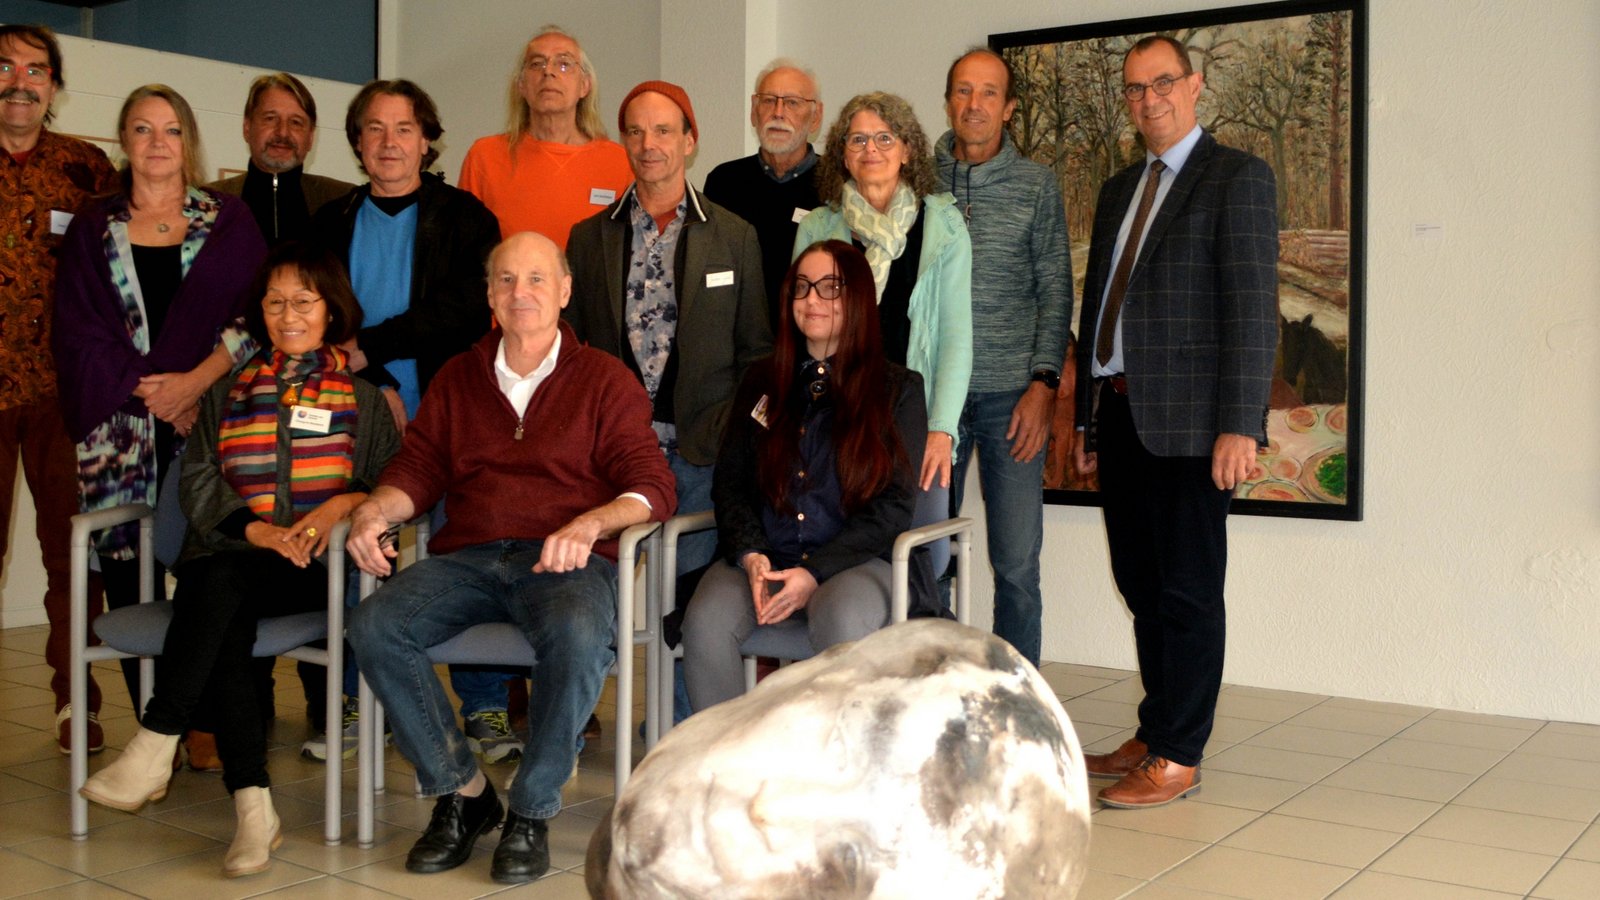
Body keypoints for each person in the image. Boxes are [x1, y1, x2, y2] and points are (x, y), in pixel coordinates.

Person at [346, 231, 675, 884]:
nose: (520, 293)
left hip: (567, 563)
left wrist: (593, 522)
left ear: (565, 291)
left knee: (580, 636)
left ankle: (530, 809)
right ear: (489, 295)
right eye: (505, 280)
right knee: (376, 625)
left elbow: (652, 485)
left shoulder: (604, 380)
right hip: (471, 556)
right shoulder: (459, 376)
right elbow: (418, 468)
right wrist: (375, 509)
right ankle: (463, 796)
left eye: (535, 279)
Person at [77, 242, 399, 878]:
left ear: (331, 312)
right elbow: (196, 480)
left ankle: (161, 739)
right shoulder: (228, 390)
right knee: (222, 597)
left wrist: (335, 511)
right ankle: (252, 808)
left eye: (303, 302)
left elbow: (390, 486)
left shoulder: (364, 399)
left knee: (216, 597)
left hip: (313, 569)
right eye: (274, 302)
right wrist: (255, 530)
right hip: (231, 549)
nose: (287, 315)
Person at [1072, 35, 1279, 808]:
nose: (1148, 98)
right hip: (1123, 414)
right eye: (1134, 89)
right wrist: (1091, 422)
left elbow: (1254, 311)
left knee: (1189, 590)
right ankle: (1155, 729)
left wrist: (1241, 424)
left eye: (1162, 83)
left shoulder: (1237, 179)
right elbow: (1102, 307)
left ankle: (1180, 754)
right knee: (1142, 584)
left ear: (1195, 86)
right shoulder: (1119, 187)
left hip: (1196, 425)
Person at [53, 83, 267, 717]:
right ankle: (154, 718)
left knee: (211, 567)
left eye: (171, 130)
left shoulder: (227, 220)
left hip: (209, 419)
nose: (157, 143)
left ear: (189, 142)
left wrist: (195, 383)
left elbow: (256, 315)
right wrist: (152, 391)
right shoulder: (95, 226)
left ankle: (206, 719)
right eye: (143, 129)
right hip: (118, 424)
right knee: (128, 577)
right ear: (124, 140)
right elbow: (77, 327)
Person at [309, 78, 502, 761]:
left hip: (453, 413)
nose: (389, 142)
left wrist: (376, 350)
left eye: (403, 128)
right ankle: (364, 699)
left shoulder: (467, 218)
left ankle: (485, 707)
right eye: (374, 129)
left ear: (427, 139)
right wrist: (380, 377)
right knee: (365, 551)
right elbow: (323, 320)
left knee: (467, 550)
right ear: (358, 142)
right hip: (358, 414)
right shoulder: (330, 223)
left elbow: (466, 310)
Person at [681, 241, 928, 711]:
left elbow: (895, 505)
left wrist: (815, 572)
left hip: (855, 562)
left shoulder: (897, 389)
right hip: (765, 556)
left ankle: (837, 772)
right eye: (801, 288)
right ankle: (732, 768)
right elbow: (731, 484)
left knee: (841, 620)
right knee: (706, 623)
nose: (812, 300)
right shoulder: (760, 382)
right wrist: (751, 554)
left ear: (857, 298)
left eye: (829, 288)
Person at [566, 80, 771, 576]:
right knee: (597, 596)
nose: (648, 145)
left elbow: (757, 354)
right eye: (635, 132)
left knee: (685, 606)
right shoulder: (589, 238)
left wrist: (735, 435)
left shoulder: (734, 236)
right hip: (614, 452)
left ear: (689, 140)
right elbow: (568, 350)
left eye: (662, 130)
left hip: (702, 451)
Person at [0, 23, 119, 753]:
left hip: (59, 395)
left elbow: (116, 273)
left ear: (54, 84)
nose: (20, 81)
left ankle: (77, 699)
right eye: (6, 67)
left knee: (70, 555)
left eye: (36, 69)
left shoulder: (85, 167)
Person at [934, 48, 1071, 668]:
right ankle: (926, 693)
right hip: (935, 401)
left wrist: (1043, 386)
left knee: (1015, 563)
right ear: (948, 103)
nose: (975, 105)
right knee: (924, 554)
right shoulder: (918, 181)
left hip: (1012, 399)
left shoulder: (1037, 185)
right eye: (963, 91)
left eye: (989, 93)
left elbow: (1055, 289)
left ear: (1009, 108)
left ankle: (1018, 704)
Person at [794, 91, 972, 494]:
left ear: (908, 150)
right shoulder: (818, 229)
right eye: (857, 139)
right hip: (835, 413)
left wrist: (941, 429)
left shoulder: (943, 226)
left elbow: (956, 337)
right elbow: (802, 328)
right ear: (842, 154)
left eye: (885, 137)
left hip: (914, 416)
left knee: (919, 548)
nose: (870, 148)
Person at [458, 25, 630, 248]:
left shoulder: (620, 162)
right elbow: (463, 252)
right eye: (537, 64)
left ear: (584, 86)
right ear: (521, 85)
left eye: (564, 63)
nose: (548, 72)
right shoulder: (485, 157)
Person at [703, 59, 824, 329]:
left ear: (815, 117)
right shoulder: (724, 182)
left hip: (812, 339)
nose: (778, 113)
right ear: (754, 111)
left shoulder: (837, 185)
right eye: (769, 101)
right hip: (740, 341)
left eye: (792, 102)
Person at [210, 72, 354, 246]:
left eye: (296, 122)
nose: (283, 132)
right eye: (270, 118)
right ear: (247, 128)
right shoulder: (208, 203)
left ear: (310, 138)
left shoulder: (346, 202)